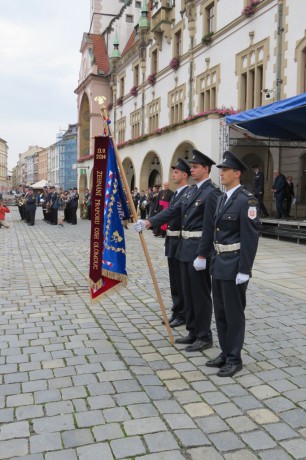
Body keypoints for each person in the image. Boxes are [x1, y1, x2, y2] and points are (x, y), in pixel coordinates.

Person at [135, 149, 221, 352]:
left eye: (195, 167)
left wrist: (203, 254)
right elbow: (173, 211)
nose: (191, 169)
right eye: (190, 167)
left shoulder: (212, 192)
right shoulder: (191, 191)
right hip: (183, 249)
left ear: (206, 169)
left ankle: (204, 335)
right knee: (188, 293)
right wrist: (149, 221)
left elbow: (210, 227)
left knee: (200, 296)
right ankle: (192, 331)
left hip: (198, 251)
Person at [208, 151, 260, 378]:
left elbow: (251, 238)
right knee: (219, 312)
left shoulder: (246, 200)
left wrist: (244, 270)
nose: (221, 173)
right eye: (221, 169)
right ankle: (225, 351)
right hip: (219, 263)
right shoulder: (222, 198)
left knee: (234, 314)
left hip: (234, 265)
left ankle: (234, 358)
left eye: (225, 170)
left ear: (236, 173)